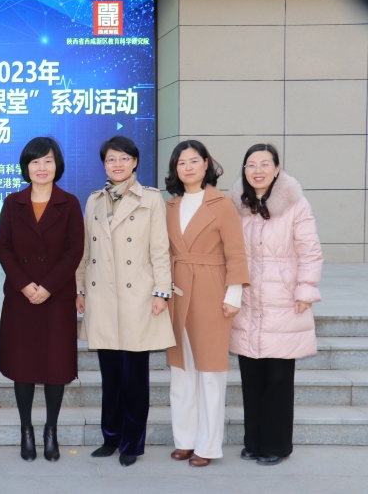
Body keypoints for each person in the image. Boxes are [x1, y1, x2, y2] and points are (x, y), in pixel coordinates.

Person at [76, 135, 175, 467]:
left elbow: (160, 249)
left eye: (123, 158)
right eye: (110, 159)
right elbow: (86, 251)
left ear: (134, 162)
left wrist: (162, 291)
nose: (117, 164)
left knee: (135, 377)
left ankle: (132, 442)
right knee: (110, 376)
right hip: (102, 295)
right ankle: (111, 437)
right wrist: (79, 288)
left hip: (138, 296)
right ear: (104, 164)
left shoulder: (151, 198)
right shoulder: (94, 200)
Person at [229, 144, 323, 466]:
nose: (257, 170)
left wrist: (306, 289)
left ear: (277, 168)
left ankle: (276, 445)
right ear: (244, 170)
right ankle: (253, 441)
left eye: (264, 164)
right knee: (251, 375)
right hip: (247, 300)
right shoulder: (236, 204)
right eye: (251, 164)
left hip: (283, 299)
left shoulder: (295, 203)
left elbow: (310, 249)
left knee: (278, 378)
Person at [0, 137, 84, 463]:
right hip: (21, 299)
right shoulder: (12, 202)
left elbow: (75, 250)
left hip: (56, 298)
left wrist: (47, 286)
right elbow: (3, 247)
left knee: (55, 367)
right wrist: (25, 285)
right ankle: (26, 431)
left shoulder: (69, 203)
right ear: (26, 167)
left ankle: (50, 431)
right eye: (35, 162)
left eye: (48, 161)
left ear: (57, 165)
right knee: (23, 367)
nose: (42, 167)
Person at [164, 139, 250, 467]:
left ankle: (208, 445)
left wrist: (234, 294)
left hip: (211, 291)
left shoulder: (222, 203)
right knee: (181, 370)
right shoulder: (170, 206)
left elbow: (236, 252)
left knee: (211, 371)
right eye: (181, 162)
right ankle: (185, 440)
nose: (188, 167)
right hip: (177, 292)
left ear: (206, 164)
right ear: (175, 169)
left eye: (193, 160)